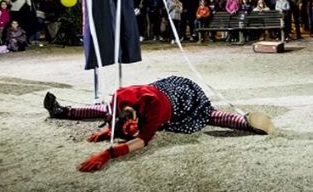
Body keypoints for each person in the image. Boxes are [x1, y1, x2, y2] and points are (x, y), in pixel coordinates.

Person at [43, 76, 274, 173]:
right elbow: (110, 114)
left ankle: (244, 123)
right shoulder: (117, 99)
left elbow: (142, 141)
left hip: (180, 100)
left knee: (205, 115)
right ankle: (63, 112)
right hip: (162, 87)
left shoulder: (152, 110)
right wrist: (109, 130)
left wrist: (108, 153)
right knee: (99, 109)